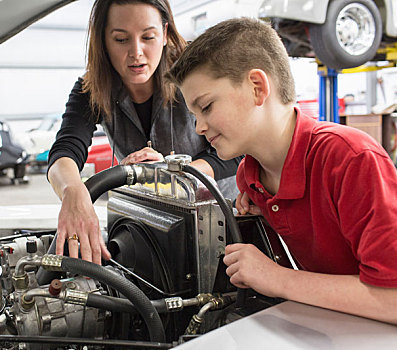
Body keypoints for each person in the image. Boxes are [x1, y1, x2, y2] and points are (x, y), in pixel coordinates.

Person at [167, 17, 397, 324]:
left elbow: (392, 299)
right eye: (194, 114)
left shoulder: (350, 159)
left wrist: (275, 277)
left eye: (206, 106)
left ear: (257, 87)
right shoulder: (250, 178)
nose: (200, 127)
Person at [47, 0, 242, 265]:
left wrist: (170, 172)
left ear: (164, 33)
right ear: (103, 39)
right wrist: (73, 191)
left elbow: (237, 150)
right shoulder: (91, 87)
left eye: (148, 37)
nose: (136, 52)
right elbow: (66, 147)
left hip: (222, 222)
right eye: (121, 39)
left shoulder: (197, 72)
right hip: (153, 226)